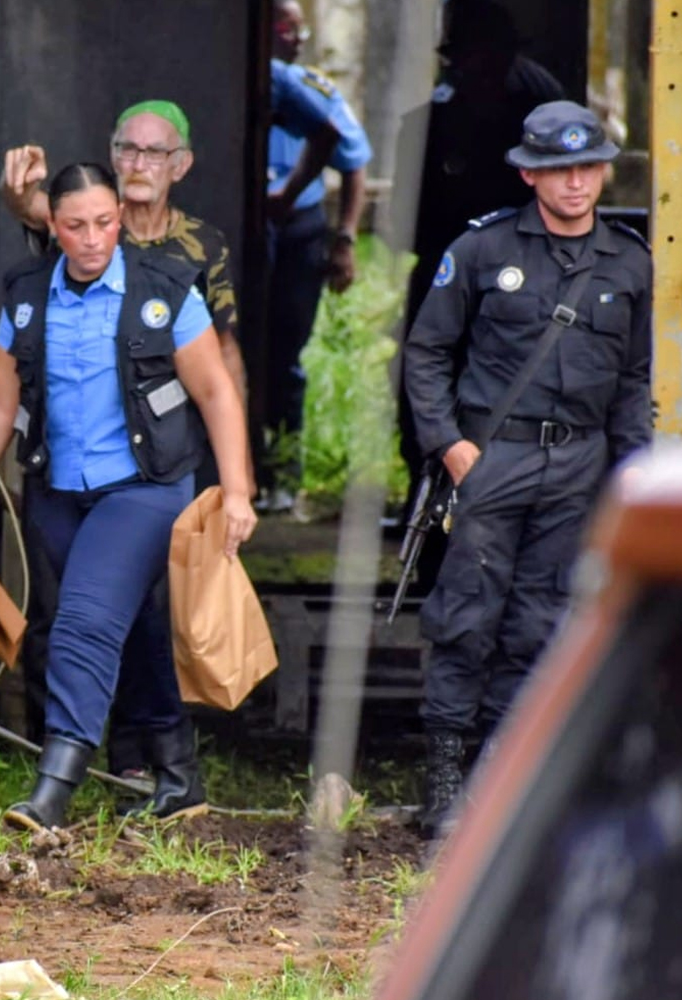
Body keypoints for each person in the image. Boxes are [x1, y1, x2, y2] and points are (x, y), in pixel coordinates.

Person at [0, 163, 257, 831]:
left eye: (105, 223)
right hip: (56, 491)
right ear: (51, 227)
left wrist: (237, 491)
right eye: (76, 226)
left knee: (83, 621)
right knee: (134, 625)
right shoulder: (27, 296)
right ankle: (178, 775)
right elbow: (0, 403)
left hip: (146, 488)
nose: (92, 239)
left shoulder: (166, 290)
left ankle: (55, 786)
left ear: (120, 219)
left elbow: (215, 393)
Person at [403, 101, 651, 839]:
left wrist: (629, 477)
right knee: (467, 617)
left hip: (580, 462)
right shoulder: (481, 252)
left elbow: (633, 381)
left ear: (604, 170)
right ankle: (445, 783)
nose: (575, 184)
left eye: (587, 168)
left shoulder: (630, 261)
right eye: (558, 170)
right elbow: (426, 353)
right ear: (528, 174)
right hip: (493, 454)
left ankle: (503, 779)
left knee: (543, 620)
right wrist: (450, 445)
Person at [0, 101, 242, 789]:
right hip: (67, 472)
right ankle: (154, 765)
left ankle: (69, 773)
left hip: (152, 468)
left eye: (155, 154)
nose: (139, 164)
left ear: (180, 167)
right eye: (127, 150)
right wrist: (19, 194)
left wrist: (238, 481)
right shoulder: (72, 230)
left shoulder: (194, 252)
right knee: (104, 613)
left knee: (110, 612)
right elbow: (30, 212)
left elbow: (222, 367)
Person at [394, 0, 566, 495]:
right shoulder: (427, 124)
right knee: (426, 381)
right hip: (443, 272)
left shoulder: (534, 114)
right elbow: (406, 219)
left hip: (525, 275)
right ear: (458, 60)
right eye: (477, 55)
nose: (486, 67)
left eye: (497, 55)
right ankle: (424, 492)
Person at [264, 0, 372, 503]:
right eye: (285, 26)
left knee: (287, 353)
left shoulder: (300, 87)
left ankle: (285, 473)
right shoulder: (241, 78)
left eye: (297, 28)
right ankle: (248, 469)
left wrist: (344, 238)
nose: (294, 36)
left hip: (297, 230)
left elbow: (350, 155)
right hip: (245, 229)